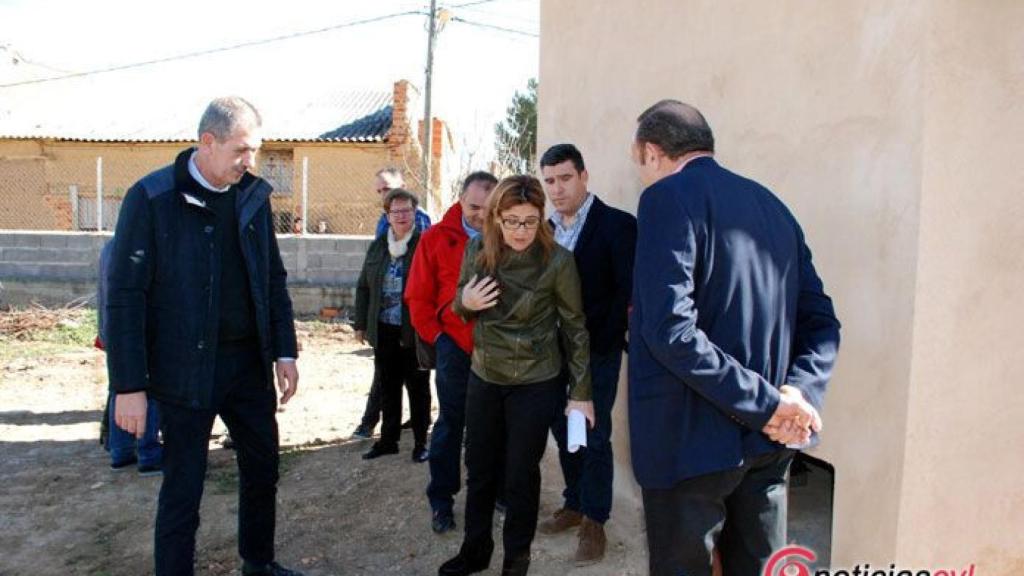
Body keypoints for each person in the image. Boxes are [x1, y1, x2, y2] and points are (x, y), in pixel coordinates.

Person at [627, 99, 841, 576]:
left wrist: (771, 404)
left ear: (652, 152)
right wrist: (798, 394)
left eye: (637, 160)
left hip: (690, 446)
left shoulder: (665, 198)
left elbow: (669, 330)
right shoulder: (772, 205)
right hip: (769, 443)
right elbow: (823, 322)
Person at [106, 96, 303, 576]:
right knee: (183, 487)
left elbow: (271, 279)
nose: (250, 161)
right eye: (241, 150)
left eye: (254, 150)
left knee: (262, 469)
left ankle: (258, 562)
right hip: (184, 370)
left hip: (246, 366)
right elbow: (125, 295)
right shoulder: (152, 198)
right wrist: (128, 386)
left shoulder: (252, 197)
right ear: (207, 142)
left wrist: (284, 350)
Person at [438, 175, 594, 576]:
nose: (520, 231)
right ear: (496, 218)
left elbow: (574, 328)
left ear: (541, 218)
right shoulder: (479, 249)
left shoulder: (558, 261)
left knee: (521, 474)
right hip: (486, 375)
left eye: (529, 221)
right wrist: (464, 302)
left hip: (536, 381)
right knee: (479, 467)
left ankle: (516, 560)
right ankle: (475, 551)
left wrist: (581, 392)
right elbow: (459, 305)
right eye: (511, 221)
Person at [536, 144, 636, 565]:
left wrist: (596, 343)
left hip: (597, 353)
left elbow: (625, 294)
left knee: (594, 435)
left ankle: (595, 522)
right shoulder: (545, 230)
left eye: (564, 179)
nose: (557, 190)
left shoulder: (617, 225)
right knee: (562, 429)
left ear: (584, 176)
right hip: (551, 354)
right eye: (550, 182)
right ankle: (574, 503)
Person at [405, 171, 498, 534]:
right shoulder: (434, 239)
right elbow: (417, 297)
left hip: (498, 348)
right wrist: (439, 339)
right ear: (460, 200)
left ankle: (495, 492)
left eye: (487, 209)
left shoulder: (506, 236)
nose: (480, 215)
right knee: (450, 424)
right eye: (474, 207)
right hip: (454, 347)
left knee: (494, 426)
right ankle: (441, 500)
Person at [352, 167, 432, 438]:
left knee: (417, 383)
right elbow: (365, 284)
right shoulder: (379, 238)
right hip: (384, 324)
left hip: (413, 326)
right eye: (381, 192)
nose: (400, 215)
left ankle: (419, 434)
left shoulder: (424, 236)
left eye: (388, 188)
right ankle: (383, 433)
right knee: (387, 381)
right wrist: (360, 323)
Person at [97, 237, 163, 475]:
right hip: (142, 332)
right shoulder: (142, 247)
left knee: (121, 386)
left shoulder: (110, 247)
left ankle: (121, 450)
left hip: (114, 331)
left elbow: (104, 295)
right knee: (150, 389)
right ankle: (149, 453)